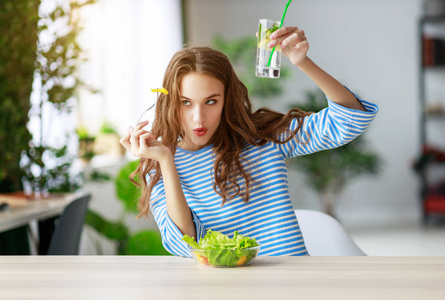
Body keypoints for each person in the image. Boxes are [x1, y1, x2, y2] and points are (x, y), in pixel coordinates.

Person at [120, 25, 378, 257]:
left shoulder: (262, 139)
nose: (198, 118)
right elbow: (186, 242)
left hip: (292, 286)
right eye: (186, 103)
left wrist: (303, 62)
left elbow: (349, 120)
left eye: (211, 101)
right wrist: (166, 162)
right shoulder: (160, 163)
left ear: (226, 99)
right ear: (170, 101)